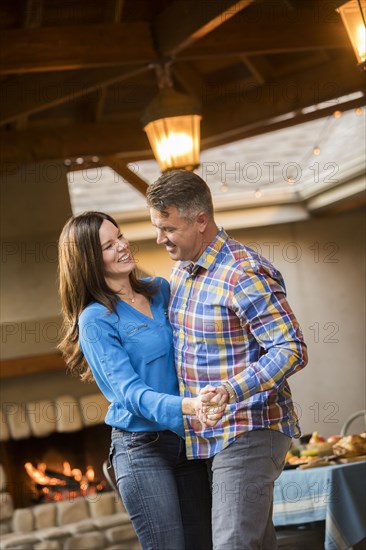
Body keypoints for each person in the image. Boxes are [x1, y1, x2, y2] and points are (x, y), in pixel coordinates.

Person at [146, 170, 308, 550]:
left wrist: (230, 391)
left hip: (249, 428)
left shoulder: (241, 272)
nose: (159, 238)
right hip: (212, 437)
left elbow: (291, 347)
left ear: (200, 220)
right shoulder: (183, 271)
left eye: (167, 228)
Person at [57, 211, 220, 550]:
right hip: (141, 449)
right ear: (88, 260)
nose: (121, 247)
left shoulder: (161, 291)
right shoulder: (96, 320)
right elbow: (130, 394)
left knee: (206, 542)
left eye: (119, 237)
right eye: (107, 245)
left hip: (187, 441)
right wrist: (189, 405)